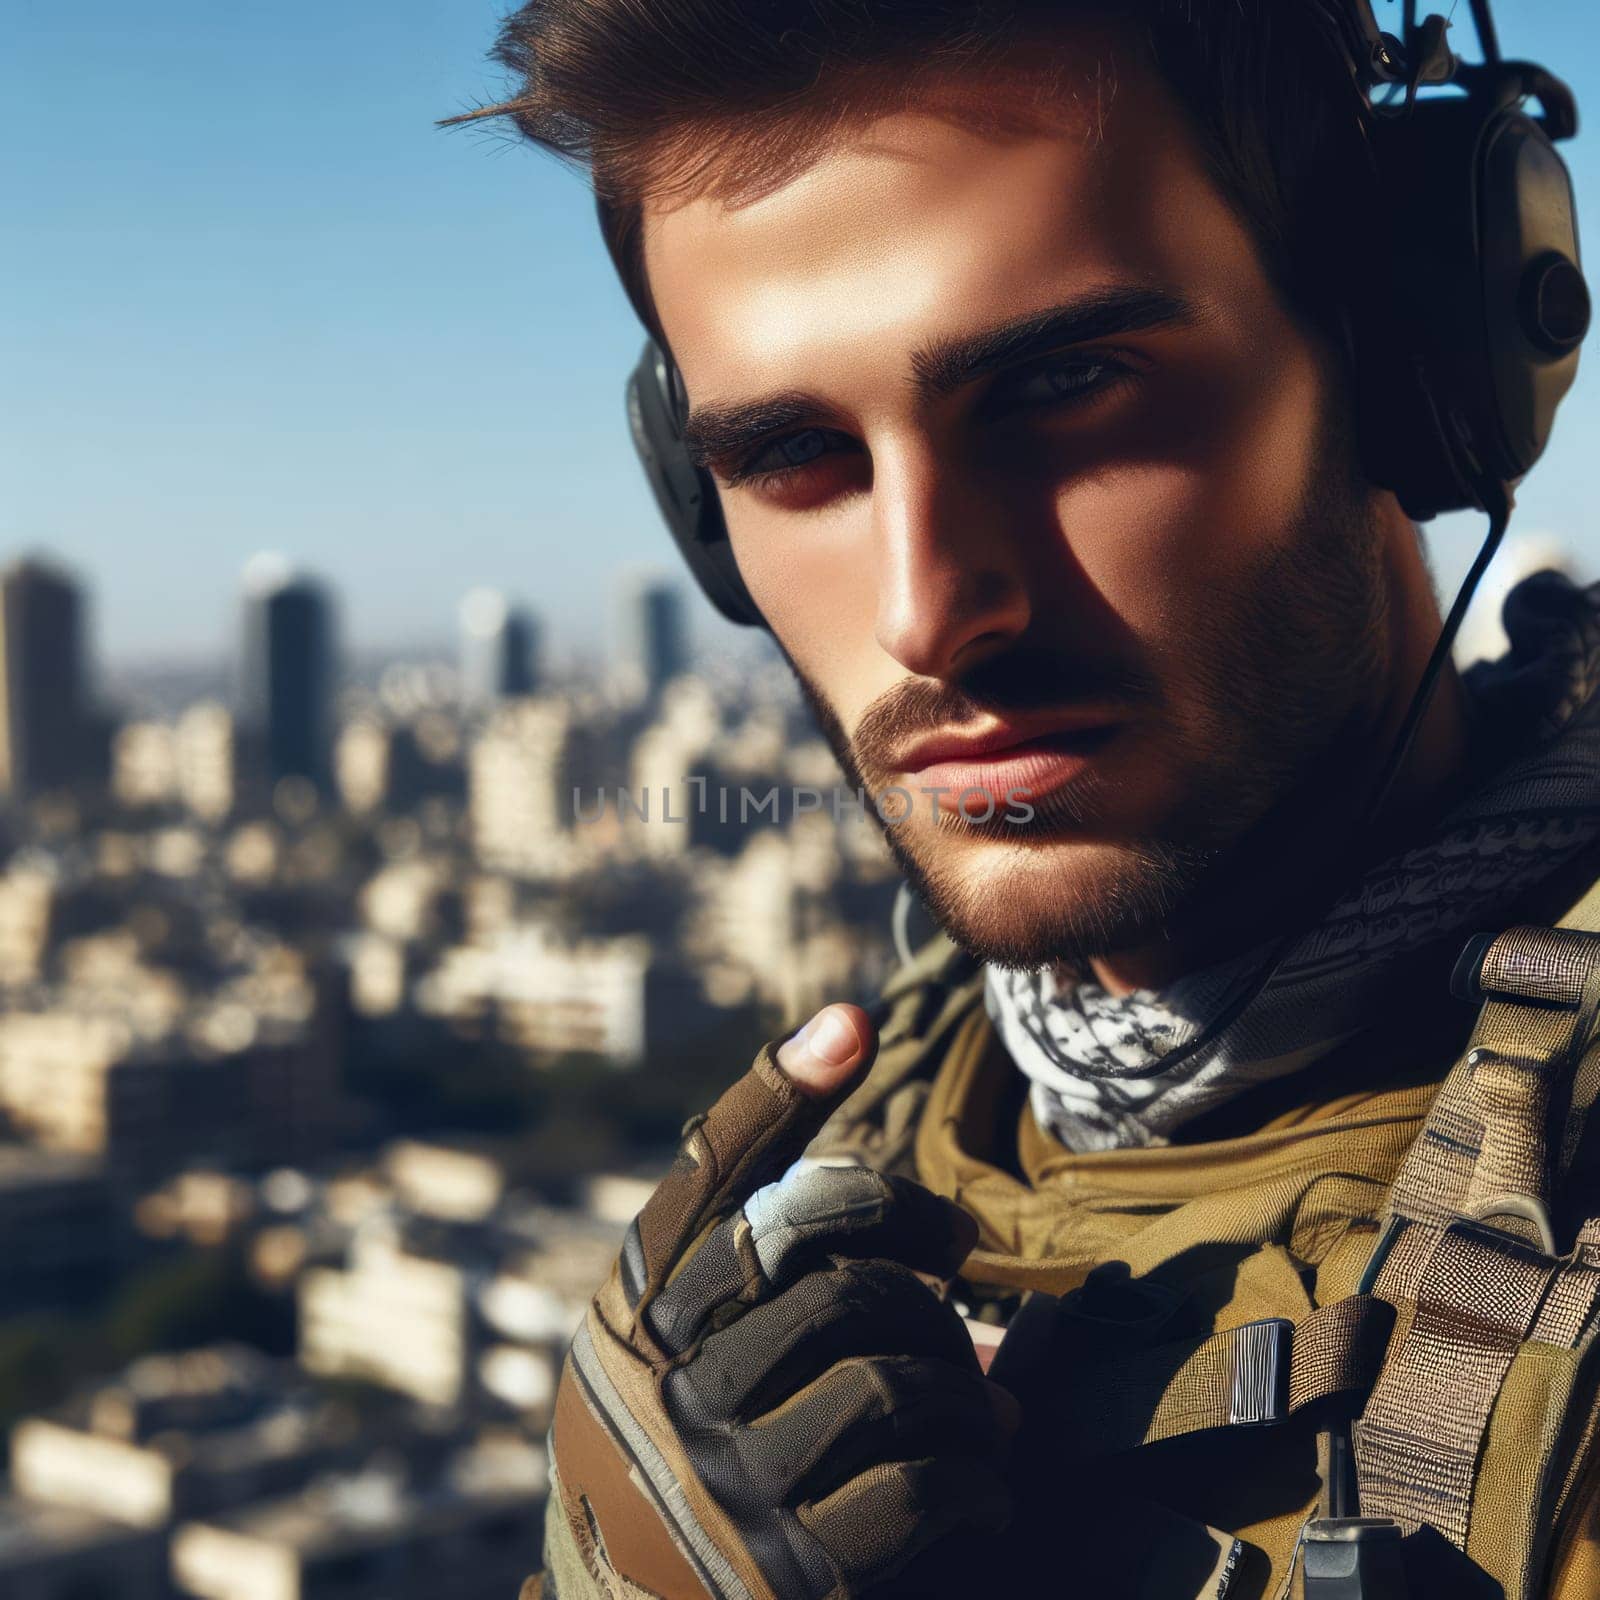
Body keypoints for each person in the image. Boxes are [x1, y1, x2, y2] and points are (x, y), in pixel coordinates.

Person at [451, 2, 1600, 1594]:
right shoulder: (865, 1141)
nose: (929, 609)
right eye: (794, 454)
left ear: (1408, 354)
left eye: (1065, 383)